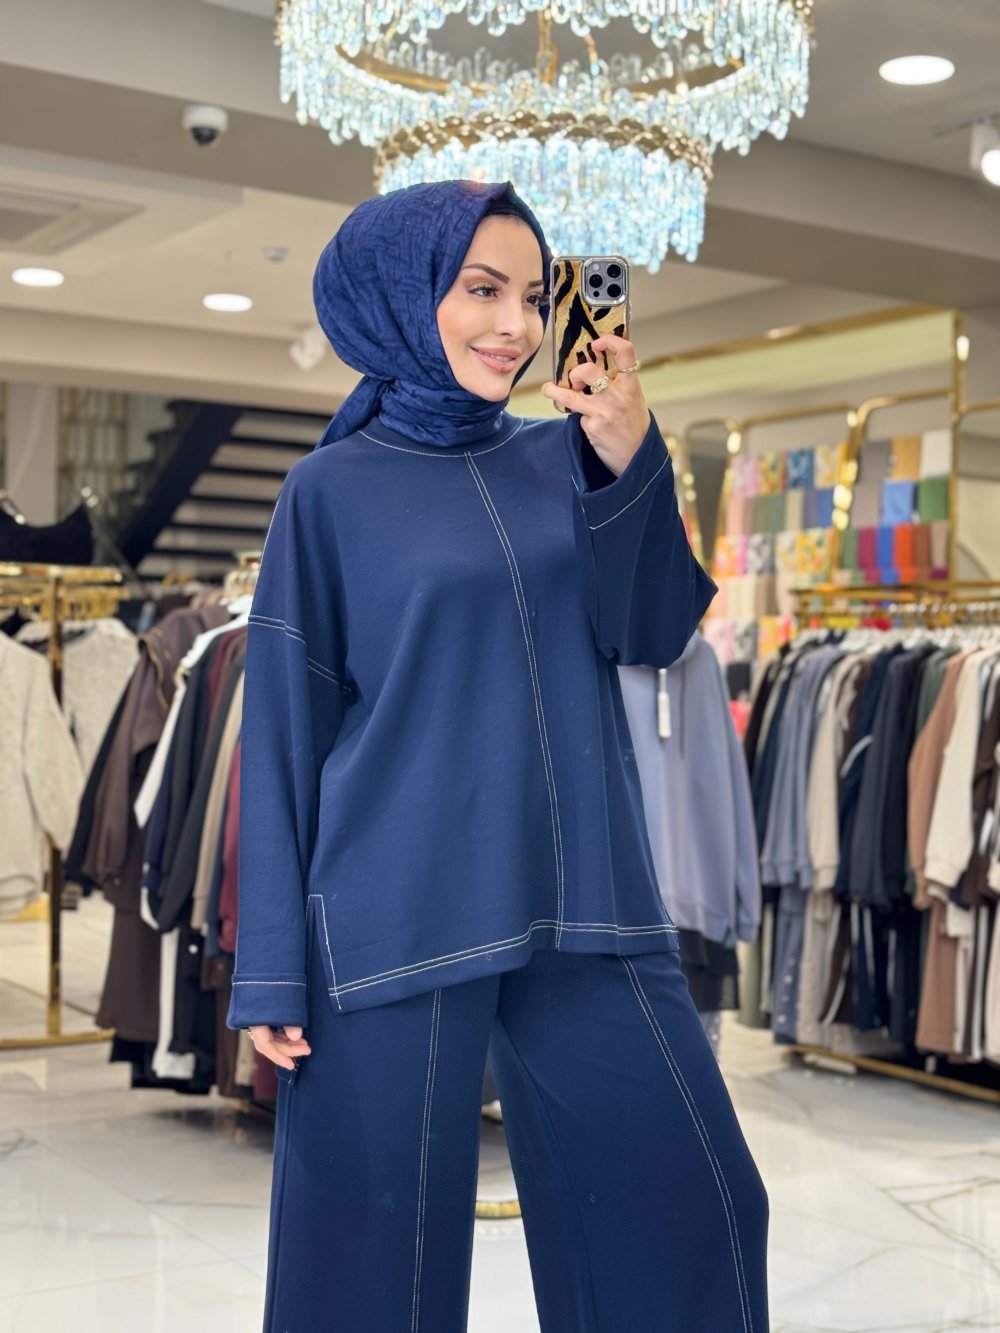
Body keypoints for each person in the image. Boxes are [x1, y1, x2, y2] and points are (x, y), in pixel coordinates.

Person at [227, 179, 769, 1333]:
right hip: (392, 917)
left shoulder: (565, 456)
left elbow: (654, 631)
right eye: (481, 290)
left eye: (532, 295)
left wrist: (628, 458)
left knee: (697, 1206)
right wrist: (269, 963)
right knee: (373, 1266)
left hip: (587, 907)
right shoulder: (329, 491)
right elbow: (280, 733)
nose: (515, 326)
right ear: (402, 293)